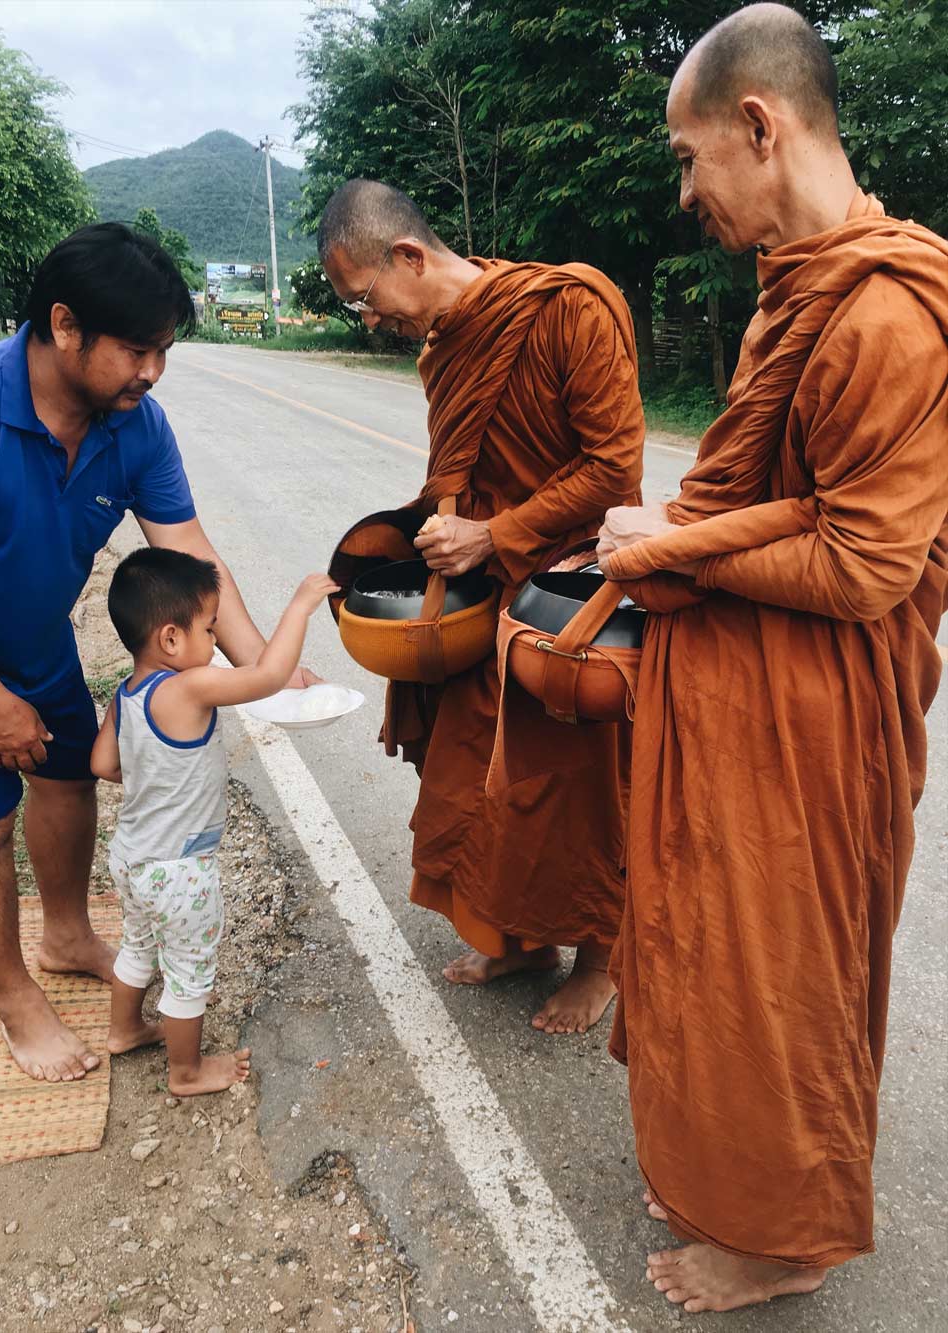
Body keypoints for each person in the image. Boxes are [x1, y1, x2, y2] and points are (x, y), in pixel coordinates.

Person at [593, 3, 948, 1314]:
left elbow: (865, 565)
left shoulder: (884, 314)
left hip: (811, 716)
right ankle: (726, 1172)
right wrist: (678, 532)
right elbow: (777, 500)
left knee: (774, 972)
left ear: (760, 123)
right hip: (735, 687)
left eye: (692, 160)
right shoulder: (802, 284)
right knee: (709, 952)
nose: (686, 192)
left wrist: (667, 550)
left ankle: (787, 1236)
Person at [0, 223, 316, 1085]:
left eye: (164, 351)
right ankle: (15, 1001)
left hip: (38, 641)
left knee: (73, 778)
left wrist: (264, 668)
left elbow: (193, 555)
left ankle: (67, 932)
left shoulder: (134, 426)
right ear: (66, 325)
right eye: (138, 349)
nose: (152, 371)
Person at [320, 180, 645, 1033]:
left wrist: (494, 535)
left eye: (365, 297)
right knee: (474, 775)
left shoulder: (569, 309)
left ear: (409, 256)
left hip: (571, 594)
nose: (368, 319)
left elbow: (613, 468)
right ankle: (521, 938)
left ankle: (600, 961)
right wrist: (401, 540)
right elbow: (460, 473)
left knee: (576, 786)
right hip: (483, 591)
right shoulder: (442, 349)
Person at [91, 548, 337, 1096]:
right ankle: (187, 1071)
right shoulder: (191, 686)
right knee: (189, 970)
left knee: (138, 946)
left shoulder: (126, 695)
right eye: (209, 628)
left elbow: (103, 764)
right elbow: (269, 675)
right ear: (172, 639)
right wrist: (299, 605)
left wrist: (158, 778)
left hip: (131, 854)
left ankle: (124, 1029)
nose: (213, 641)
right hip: (179, 870)